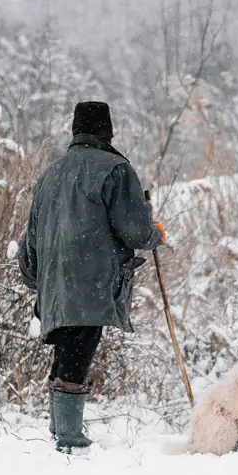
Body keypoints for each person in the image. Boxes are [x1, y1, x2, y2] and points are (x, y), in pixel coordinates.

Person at [19, 101, 165, 454]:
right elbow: (136, 232)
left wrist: (38, 278)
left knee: (67, 353)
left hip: (53, 285)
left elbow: (29, 245)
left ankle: (60, 432)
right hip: (92, 282)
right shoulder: (116, 169)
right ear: (108, 131)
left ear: (74, 130)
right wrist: (156, 231)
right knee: (76, 354)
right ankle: (69, 440)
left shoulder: (50, 174)